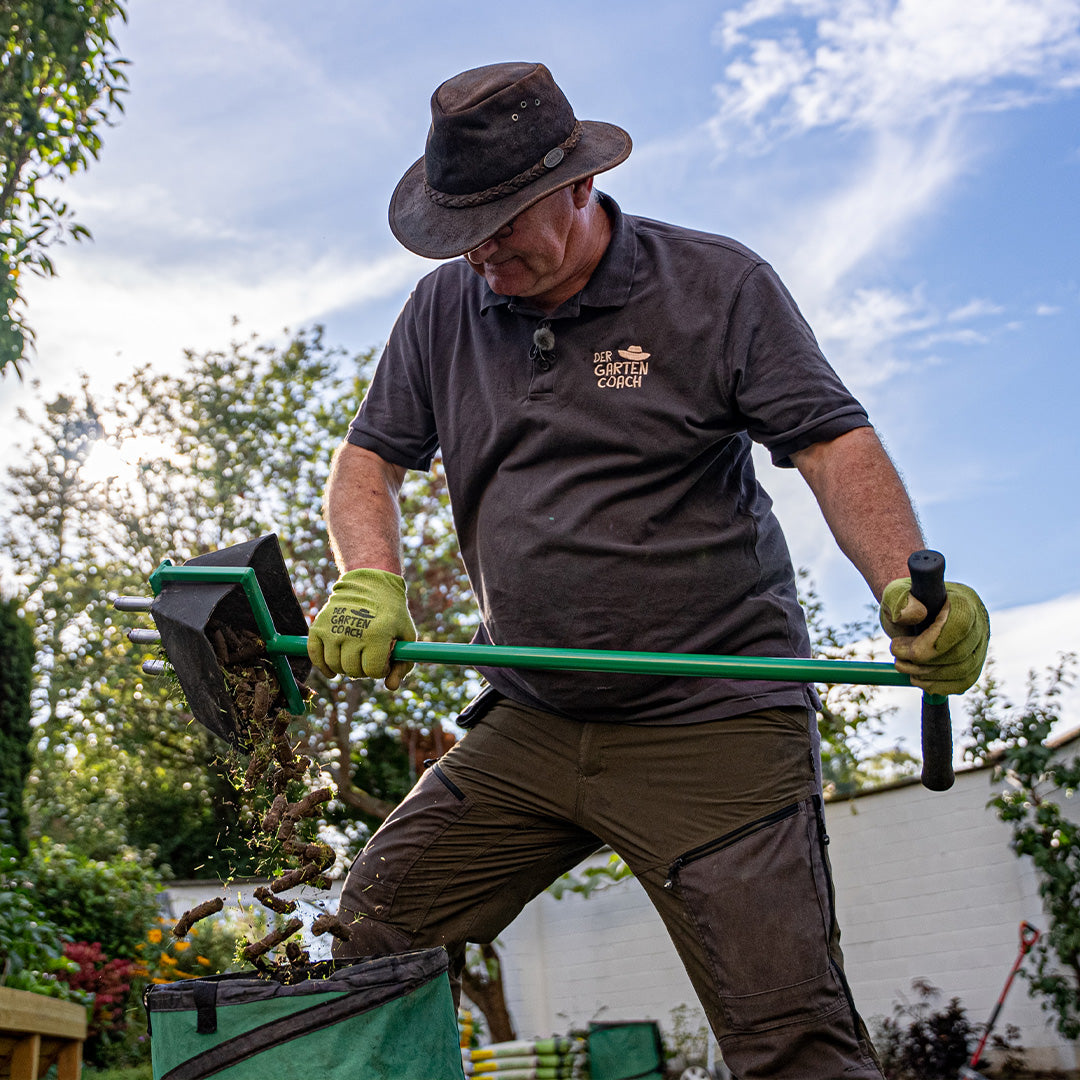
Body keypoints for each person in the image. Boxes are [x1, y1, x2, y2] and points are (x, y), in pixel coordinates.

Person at [307, 62, 990, 1080]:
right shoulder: (443, 312)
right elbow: (368, 461)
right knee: (372, 931)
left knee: (791, 1042)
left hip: (713, 718)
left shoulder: (715, 288)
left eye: (501, 225)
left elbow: (831, 444)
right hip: (534, 719)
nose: (481, 253)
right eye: (463, 232)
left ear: (578, 186)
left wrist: (904, 587)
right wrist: (369, 577)